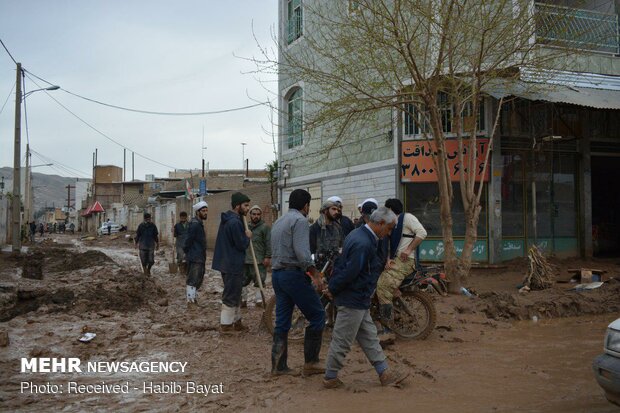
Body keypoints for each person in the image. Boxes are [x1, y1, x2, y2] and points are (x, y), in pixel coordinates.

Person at [323, 206, 409, 388]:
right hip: (353, 298)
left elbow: (347, 266)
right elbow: (351, 271)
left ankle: (384, 373)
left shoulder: (360, 235)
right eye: (390, 228)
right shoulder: (364, 242)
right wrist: (333, 287)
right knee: (342, 340)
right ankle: (330, 377)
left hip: (359, 298)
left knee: (369, 337)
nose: (389, 233)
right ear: (382, 223)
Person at [270, 189, 326, 377]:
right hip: (293, 275)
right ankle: (311, 363)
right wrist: (315, 273)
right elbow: (302, 253)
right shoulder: (300, 221)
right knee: (318, 315)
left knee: (282, 322)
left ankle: (278, 366)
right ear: (306, 206)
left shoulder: (279, 221)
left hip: (277, 275)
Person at [376, 198, 427, 340]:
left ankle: (387, 329)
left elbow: (422, 233)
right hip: (396, 260)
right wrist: (388, 259)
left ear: (391, 210)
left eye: (387, 210)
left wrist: (409, 249)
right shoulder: (393, 223)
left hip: (405, 260)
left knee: (383, 286)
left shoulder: (408, 218)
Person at [212, 192, 252, 334]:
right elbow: (241, 244)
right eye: (246, 205)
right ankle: (226, 325)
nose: (248, 208)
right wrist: (247, 237)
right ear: (237, 206)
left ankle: (236, 321)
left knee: (236, 293)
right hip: (232, 264)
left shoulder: (232, 219)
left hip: (228, 263)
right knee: (231, 294)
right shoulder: (234, 222)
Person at [242, 205, 271, 307]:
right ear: (250, 215)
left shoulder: (265, 228)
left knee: (260, 280)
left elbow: (268, 243)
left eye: (258, 214)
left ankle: (259, 300)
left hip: (259, 260)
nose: (256, 216)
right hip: (245, 259)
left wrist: (267, 257)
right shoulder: (245, 227)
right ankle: (243, 300)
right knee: (243, 281)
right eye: (254, 214)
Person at [184, 202, 208, 308]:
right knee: (193, 278)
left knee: (198, 278)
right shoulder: (195, 224)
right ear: (198, 212)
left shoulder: (198, 223)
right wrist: (188, 252)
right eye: (203, 211)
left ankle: (193, 299)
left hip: (199, 255)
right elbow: (189, 240)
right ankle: (190, 302)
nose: (205, 213)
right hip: (195, 256)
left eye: (206, 211)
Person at [309, 200, 344, 270]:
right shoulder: (314, 229)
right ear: (325, 210)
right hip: (319, 270)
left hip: (336, 269)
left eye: (337, 210)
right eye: (333, 209)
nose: (336, 212)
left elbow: (342, 245)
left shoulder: (338, 228)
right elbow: (310, 252)